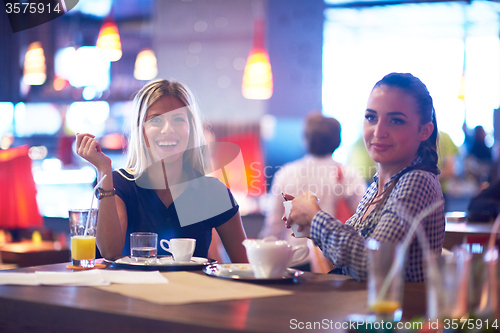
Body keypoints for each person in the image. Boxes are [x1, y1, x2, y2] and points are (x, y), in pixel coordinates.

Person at [285, 73, 445, 282]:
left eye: (396, 121)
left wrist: (315, 217)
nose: (379, 131)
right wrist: (310, 225)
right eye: (371, 117)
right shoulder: (379, 185)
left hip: (401, 313)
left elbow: (373, 265)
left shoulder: (417, 180)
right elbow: (352, 253)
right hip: (365, 310)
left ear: (424, 131)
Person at [76, 79, 248, 262]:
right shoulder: (120, 184)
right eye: (156, 120)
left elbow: (246, 266)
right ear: (141, 130)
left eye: (178, 119)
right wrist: (104, 171)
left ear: (190, 128)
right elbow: (110, 252)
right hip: (134, 290)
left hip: (194, 291)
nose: (168, 129)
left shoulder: (212, 191)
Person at [259, 112, 366, 272]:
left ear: (305, 139)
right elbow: (363, 218)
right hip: (331, 259)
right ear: (338, 141)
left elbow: (274, 225)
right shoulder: (348, 174)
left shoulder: (286, 172)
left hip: (292, 258)